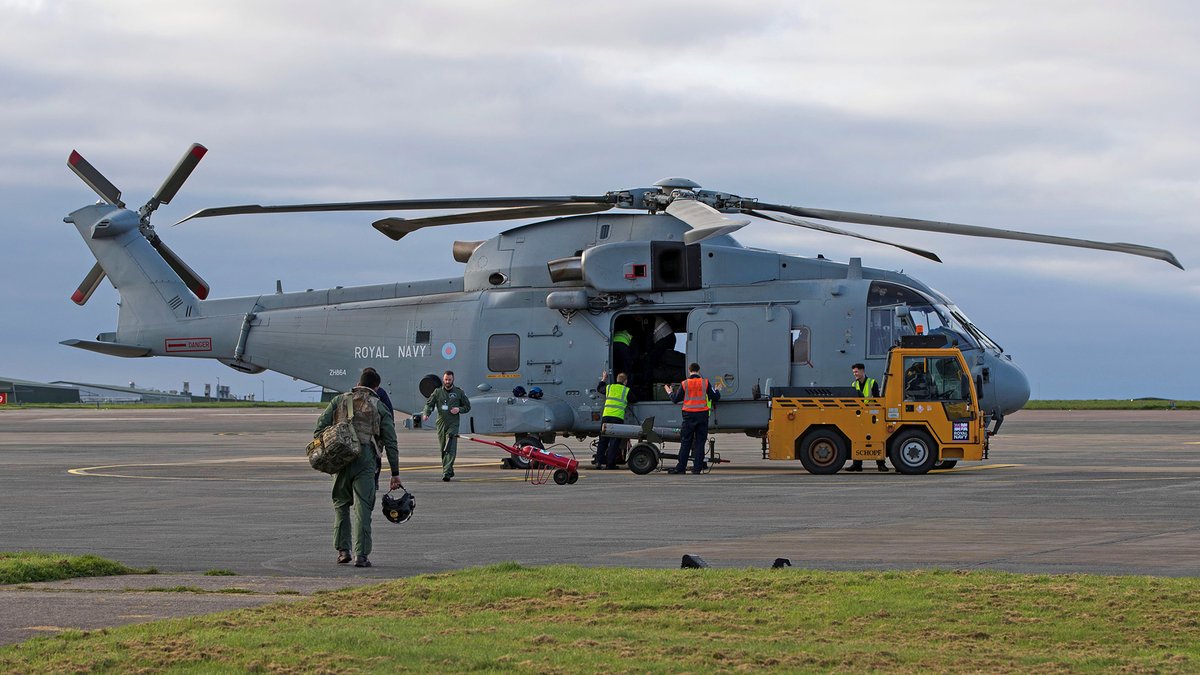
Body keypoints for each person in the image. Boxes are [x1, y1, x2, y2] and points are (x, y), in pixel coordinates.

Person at [314, 368, 401, 568]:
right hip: (366, 460)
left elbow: (319, 429)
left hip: (341, 459)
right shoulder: (379, 406)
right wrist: (395, 473)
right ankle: (361, 555)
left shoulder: (339, 401)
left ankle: (343, 551)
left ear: (358, 382)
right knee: (363, 507)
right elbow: (391, 442)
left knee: (341, 504)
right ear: (376, 387)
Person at [664, 362, 721, 474]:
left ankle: (681, 468)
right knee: (700, 443)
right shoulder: (705, 382)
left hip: (688, 416)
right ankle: (697, 469)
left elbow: (675, 399)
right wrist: (717, 390)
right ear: (699, 371)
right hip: (702, 415)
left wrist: (670, 392)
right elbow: (715, 397)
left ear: (689, 371)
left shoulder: (685, 383)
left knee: (686, 442)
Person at [422, 370, 471, 482]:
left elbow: (467, 407)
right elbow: (429, 404)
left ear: (453, 379)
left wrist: (459, 409)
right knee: (443, 448)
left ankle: (446, 472)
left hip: (453, 423)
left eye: (449, 379)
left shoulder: (459, 392)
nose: (447, 381)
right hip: (441, 423)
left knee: (450, 446)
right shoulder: (437, 392)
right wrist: (426, 414)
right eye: (446, 379)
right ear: (443, 380)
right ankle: (449, 469)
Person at [846, 363, 888, 473]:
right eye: (853, 372)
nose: (854, 374)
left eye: (856, 372)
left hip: (871, 415)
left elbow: (877, 400)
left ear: (862, 371)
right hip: (859, 415)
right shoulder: (853, 384)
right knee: (857, 438)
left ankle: (881, 464)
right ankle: (857, 465)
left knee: (876, 438)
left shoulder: (872, 382)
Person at [596, 369, 635, 470]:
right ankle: (610, 464)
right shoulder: (626, 390)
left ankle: (598, 462)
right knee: (614, 442)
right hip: (617, 418)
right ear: (625, 381)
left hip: (606, 417)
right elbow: (634, 399)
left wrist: (603, 379)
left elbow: (599, 388)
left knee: (603, 441)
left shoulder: (609, 387)